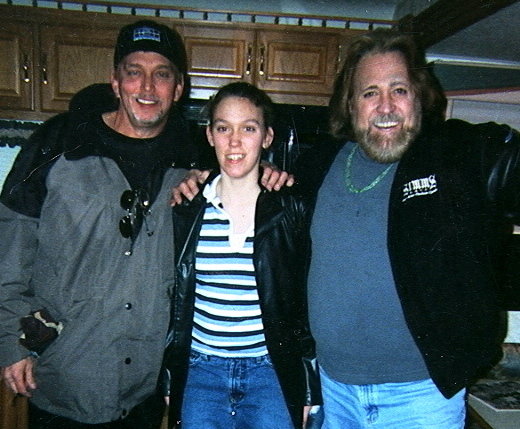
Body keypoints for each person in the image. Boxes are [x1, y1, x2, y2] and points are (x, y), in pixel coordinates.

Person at [171, 29, 520, 428]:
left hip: (421, 397)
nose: (385, 106)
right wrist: (225, 173)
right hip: (335, 392)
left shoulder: (457, 155)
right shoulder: (320, 165)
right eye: (370, 92)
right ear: (351, 104)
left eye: (399, 90)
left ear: (419, 97)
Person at [0, 19, 194, 428]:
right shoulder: (59, 142)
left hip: (144, 390)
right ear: (115, 81)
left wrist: (264, 171)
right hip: (61, 378)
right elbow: (9, 251)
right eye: (133, 72)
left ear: (178, 88)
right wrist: (9, 343)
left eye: (161, 75)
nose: (146, 87)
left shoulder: (196, 159)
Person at [162, 82, 321, 429]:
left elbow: (304, 304)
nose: (234, 142)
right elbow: (173, 302)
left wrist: (307, 388)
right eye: (223, 128)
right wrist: (173, 378)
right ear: (210, 135)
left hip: (271, 375)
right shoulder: (187, 207)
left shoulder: (291, 208)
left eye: (248, 128)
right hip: (201, 373)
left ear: (266, 137)